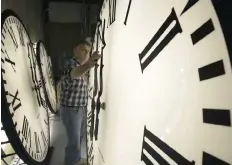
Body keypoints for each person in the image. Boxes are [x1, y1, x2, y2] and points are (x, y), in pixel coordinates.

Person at [60, 39, 101, 165]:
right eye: (83, 49)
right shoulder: (71, 63)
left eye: (88, 51)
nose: (86, 53)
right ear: (75, 50)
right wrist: (89, 64)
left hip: (79, 109)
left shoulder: (82, 68)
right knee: (73, 141)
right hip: (71, 110)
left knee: (78, 138)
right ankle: (71, 162)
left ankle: (76, 160)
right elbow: (73, 74)